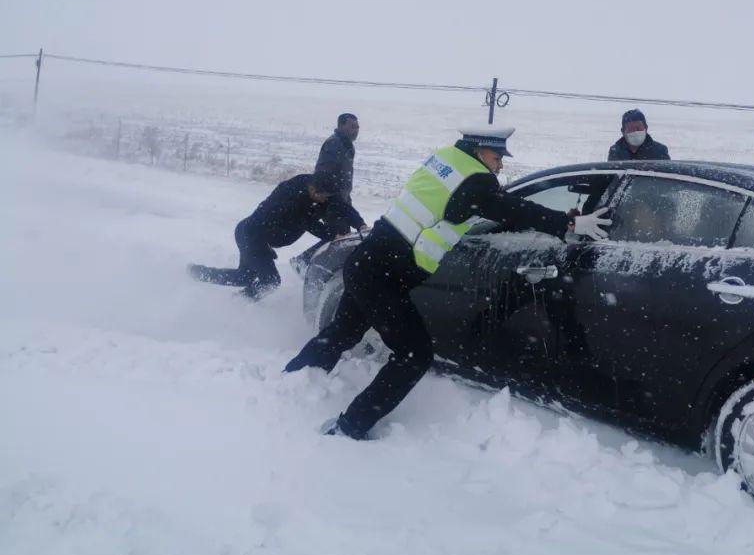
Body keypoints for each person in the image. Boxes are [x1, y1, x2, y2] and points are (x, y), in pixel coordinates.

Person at [284, 125, 612, 440]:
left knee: (343, 331)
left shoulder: (446, 161)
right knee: (415, 354)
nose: (499, 165)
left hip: (368, 261)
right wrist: (567, 222)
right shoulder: (475, 181)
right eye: (497, 158)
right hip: (383, 275)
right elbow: (510, 208)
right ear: (480, 150)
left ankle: (289, 385)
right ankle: (351, 427)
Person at [187, 173, 362, 299]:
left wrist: (360, 224)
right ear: (313, 189)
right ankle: (237, 303)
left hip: (260, 237)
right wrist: (333, 235)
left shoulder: (321, 189)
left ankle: (197, 273)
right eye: (323, 196)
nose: (325, 200)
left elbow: (341, 206)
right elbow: (307, 222)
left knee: (244, 276)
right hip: (252, 235)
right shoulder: (291, 197)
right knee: (269, 280)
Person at [293, 114, 368, 271]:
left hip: (342, 198)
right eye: (352, 126)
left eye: (357, 126)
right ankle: (305, 262)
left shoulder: (346, 145)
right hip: (331, 199)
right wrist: (323, 195)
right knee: (338, 237)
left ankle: (308, 262)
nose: (357, 129)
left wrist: (345, 198)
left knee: (341, 236)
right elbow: (322, 171)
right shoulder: (334, 144)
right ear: (341, 126)